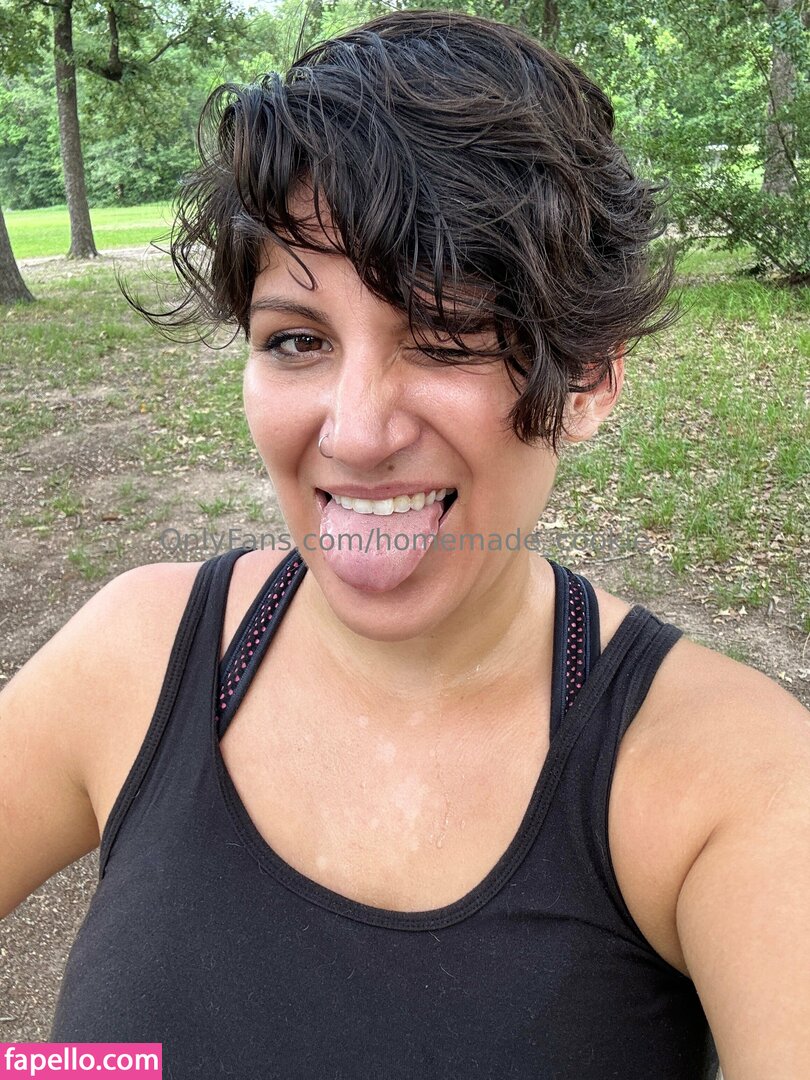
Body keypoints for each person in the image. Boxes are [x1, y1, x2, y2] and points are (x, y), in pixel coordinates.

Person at [1, 8, 808, 1079]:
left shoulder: (734, 778)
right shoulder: (136, 657)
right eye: (297, 340)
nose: (355, 431)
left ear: (589, 380)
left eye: (445, 336)